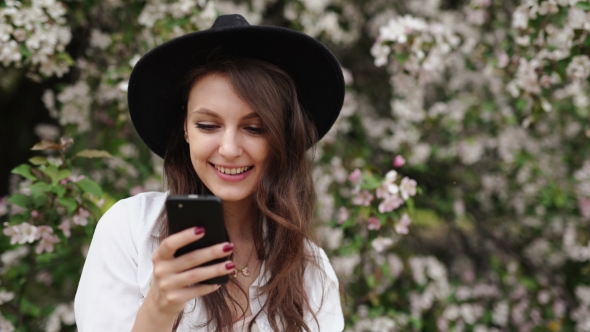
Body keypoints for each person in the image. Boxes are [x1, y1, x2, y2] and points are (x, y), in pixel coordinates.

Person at [74, 14, 345, 332]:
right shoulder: (131, 232)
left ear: (280, 138)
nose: (229, 148)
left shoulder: (310, 271)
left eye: (254, 128)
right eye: (207, 125)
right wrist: (160, 307)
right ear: (186, 130)